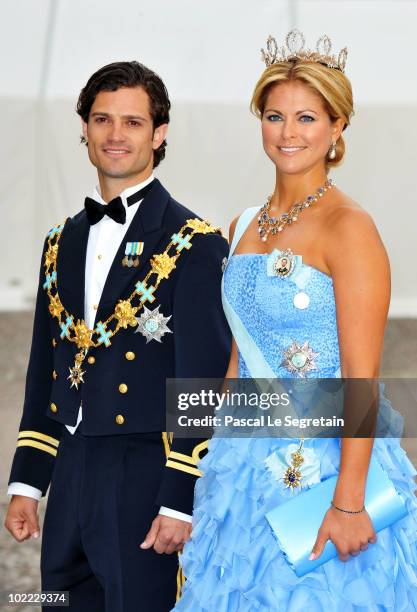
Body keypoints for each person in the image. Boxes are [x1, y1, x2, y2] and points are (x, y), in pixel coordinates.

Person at [174, 30, 417, 610]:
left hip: (328, 463)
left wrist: (350, 502)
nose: (289, 133)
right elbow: (237, 358)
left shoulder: (349, 228)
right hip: (242, 459)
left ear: (337, 127)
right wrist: (200, 466)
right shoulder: (242, 224)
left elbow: (363, 379)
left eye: (307, 117)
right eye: (275, 116)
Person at [4, 61, 230, 611]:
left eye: (132, 122)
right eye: (102, 119)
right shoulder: (60, 241)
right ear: (82, 127)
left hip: (144, 473)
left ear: (159, 133)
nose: (115, 134)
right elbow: (46, 368)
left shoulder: (193, 243)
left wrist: (180, 498)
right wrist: (27, 484)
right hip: (71, 467)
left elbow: (201, 380)